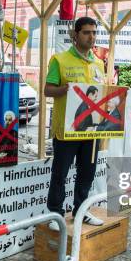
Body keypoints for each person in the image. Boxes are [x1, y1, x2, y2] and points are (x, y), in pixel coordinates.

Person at [44, 16, 106, 231]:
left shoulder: (98, 63)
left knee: (87, 172)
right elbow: (47, 90)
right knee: (60, 173)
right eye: (87, 32)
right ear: (75, 35)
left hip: (91, 131)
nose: (92, 37)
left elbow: (102, 94)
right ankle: (55, 214)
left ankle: (81, 210)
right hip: (66, 131)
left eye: (94, 33)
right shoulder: (59, 60)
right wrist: (65, 89)